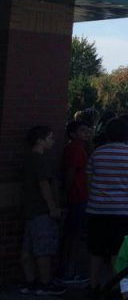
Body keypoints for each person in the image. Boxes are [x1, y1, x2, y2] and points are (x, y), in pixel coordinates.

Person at [86, 118, 128, 295]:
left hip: (96, 209)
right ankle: (116, 286)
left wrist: (94, 198)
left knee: (96, 250)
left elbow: (88, 180)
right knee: (118, 251)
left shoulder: (97, 153)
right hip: (122, 209)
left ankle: (93, 284)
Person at [19, 126, 65, 296]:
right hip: (41, 210)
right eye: (50, 137)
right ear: (40, 140)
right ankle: (44, 283)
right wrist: (53, 207)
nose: (52, 141)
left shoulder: (27, 158)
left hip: (29, 209)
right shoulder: (39, 159)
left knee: (27, 249)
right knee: (43, 249)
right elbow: (44, 184)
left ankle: (30, 282)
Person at [59, 120, 90, 285]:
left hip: (77, 197)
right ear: (72, 134)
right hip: (77, 197)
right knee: (74, 235)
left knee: (72, 235)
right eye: (82, 130)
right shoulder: (76, 149)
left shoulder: (75, 148)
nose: (86, 133)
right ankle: (69, 272)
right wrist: (67, 193)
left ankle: (66, 269)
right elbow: (71, 173)